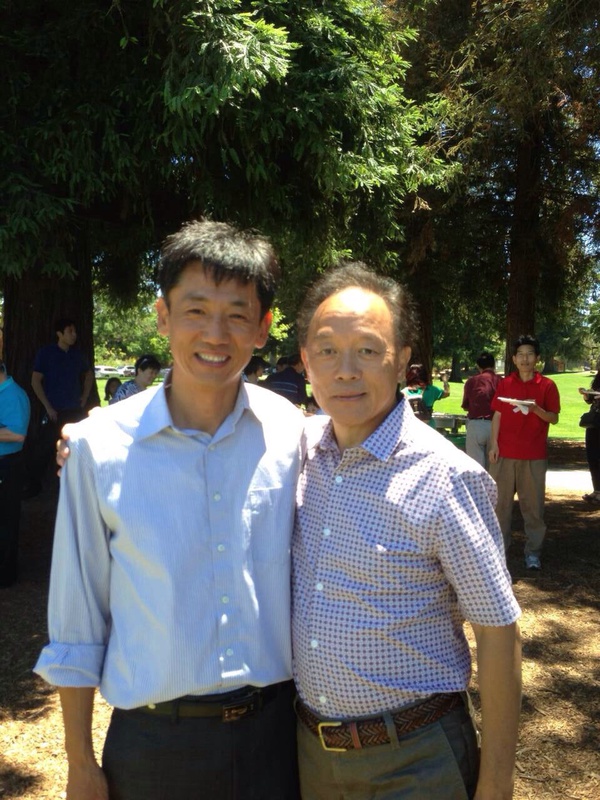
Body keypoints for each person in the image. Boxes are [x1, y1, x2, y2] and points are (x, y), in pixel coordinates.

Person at [35, 220, 304, 800]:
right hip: (153, 747)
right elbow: (76, 617)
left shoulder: (293, 434)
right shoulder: (97, 447)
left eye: (237, 314)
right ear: (163, 316)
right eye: (195, 310)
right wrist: (79, 762)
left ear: (263, 328)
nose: (215, 333)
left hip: (278, 742)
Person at [293, 262, 522, 800]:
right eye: (327, 351)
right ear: (305, 361)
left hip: (416, 759)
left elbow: (497, 632)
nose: (345, 371)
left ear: (401, 361)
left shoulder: (446, 476)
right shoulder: (298, 451)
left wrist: (496, 783)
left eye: (368, 350)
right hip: (311, 756)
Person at [489, 335, 560, 571]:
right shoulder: (505, 383)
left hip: (533, 456)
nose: (525, 359)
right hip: (504, 454)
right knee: (500, 507)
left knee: (533, 509)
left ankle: (533, 553)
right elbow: (498, 414)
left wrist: (535, 408)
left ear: (537, 358)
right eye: (520, 355)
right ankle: (499, 552)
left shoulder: (547, 385)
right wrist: (493, 444)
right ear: (514, 359)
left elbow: (553, 417)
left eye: (530, 354)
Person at [24, 317, 93, 498]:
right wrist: (47, 406)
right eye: (70, 331)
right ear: (59, 334)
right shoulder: (46, 353)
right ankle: (34, 486)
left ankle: (73, 488)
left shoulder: (77, 355)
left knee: (74, 449)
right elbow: (35, 380)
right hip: (53, 411)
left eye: (75, 331)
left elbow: (89, 375)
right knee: (43, 448)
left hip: (74, 411)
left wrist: (85, 397)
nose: (74, 335)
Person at [0, 361, 31, 587]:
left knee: (6, 519)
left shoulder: (14, 395)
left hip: (6, 466)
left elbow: (18, 434)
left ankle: (5, 574)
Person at [462, 352, 501, 470]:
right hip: (497, 426)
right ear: (494, 365)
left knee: (476, 467)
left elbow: (466, 406)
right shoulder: (501, 381)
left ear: (478, 366)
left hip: (476, 424)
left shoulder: (472, 381)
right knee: (493, 467)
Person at [578, 365, 600, 504]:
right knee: (592, 456)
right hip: (595, 421)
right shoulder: (598, 379)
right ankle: (597, 490)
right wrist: (587, 395)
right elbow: (591, 401)